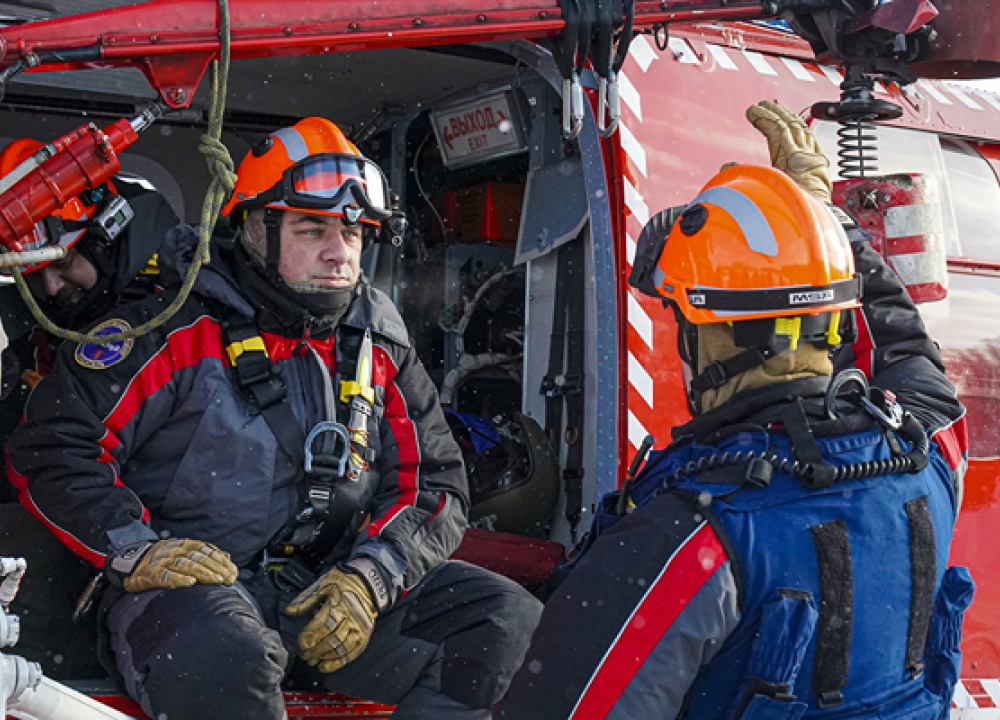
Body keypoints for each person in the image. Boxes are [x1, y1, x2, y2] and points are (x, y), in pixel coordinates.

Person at [7, 116, 542, 720]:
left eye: (354, 233)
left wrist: (370, 579)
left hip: (327, 593)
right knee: (222, 653)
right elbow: (56, 446)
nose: (339, 251)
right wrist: (135, 549)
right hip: (183, 598)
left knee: (505, 621)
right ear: (257, 229)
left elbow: (433, 488)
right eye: (312, 228)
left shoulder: (379, 345)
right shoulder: (172, 328)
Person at [497, 101, 972, 719]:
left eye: (684, 321)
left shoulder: (686, 539)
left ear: (717, 338)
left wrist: (820, 218)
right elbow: (908, 348)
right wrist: (819, 220)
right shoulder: (926, 459)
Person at [0, 138, 180, 495]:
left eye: (63, 263)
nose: (51, 287)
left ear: (106, 236)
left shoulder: (178, 296)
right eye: (32, 273)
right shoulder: (24, 319)